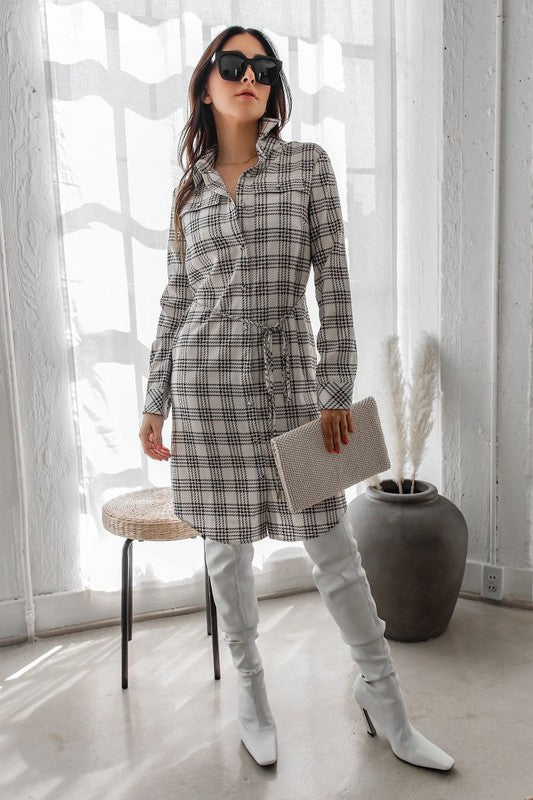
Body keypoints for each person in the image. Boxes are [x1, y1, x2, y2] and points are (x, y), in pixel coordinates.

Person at [139, 25, 455, 772]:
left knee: (332, 549)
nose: (249, 75)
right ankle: (251, 697)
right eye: (232, 64)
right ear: (206, 85)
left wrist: (335, 384)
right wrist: (156, 398)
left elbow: (333, 282)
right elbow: (176, 301)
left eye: (263, 66)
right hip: (206, 392)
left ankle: (385, 700)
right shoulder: (188, 193)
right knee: (226, 556)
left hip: (290, 384)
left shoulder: (307, 166)